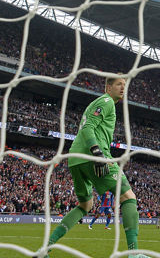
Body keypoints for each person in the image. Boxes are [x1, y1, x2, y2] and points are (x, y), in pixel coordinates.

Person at [46, 77, 149, 258]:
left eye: (124, 85)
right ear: (108, 87)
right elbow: (88, 128)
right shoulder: (107, 101)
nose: (122, 88)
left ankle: (45, 247)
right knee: (128, 197)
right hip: (94, 156)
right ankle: (134, 253)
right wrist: (98, 154)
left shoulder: (103, 103)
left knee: (85, 205)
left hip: (76, 159)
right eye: (119, 84)